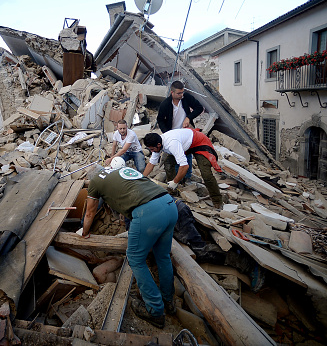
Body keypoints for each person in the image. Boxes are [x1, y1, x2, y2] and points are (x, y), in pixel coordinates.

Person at [80, 161, 178, 329]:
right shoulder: (123, 170)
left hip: (148, 213)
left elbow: (90, 212)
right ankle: (168, 300)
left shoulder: (95, 181)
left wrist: (84, 233)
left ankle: (155, 311)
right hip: (169, 204)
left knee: (135, 258)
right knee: (162, 256)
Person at [143, 128, 223, 209]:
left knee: (206, 174)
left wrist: (175, 181)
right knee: (168, 164)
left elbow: (184, 166)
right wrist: (142, 178)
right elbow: (151, 163)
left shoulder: (172, 144)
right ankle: (172, 191)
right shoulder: (157, 144)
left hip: (199, 142)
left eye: (152, 149)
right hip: (184, 144)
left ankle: (217, 201)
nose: (152, 151)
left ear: (159, 145)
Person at [156, 80, 204, 183]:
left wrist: (188, 117)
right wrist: (167, 133)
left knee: (187, 154)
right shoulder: (165, 104)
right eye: (179, 93)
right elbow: (160, 119)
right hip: (172, 133)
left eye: (182, 92)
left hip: (185, 132)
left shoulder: (186, 98)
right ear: (172, 92)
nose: (181, 95)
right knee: (174, 155)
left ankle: (187, 177)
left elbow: (199, 108)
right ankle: (176, 178)